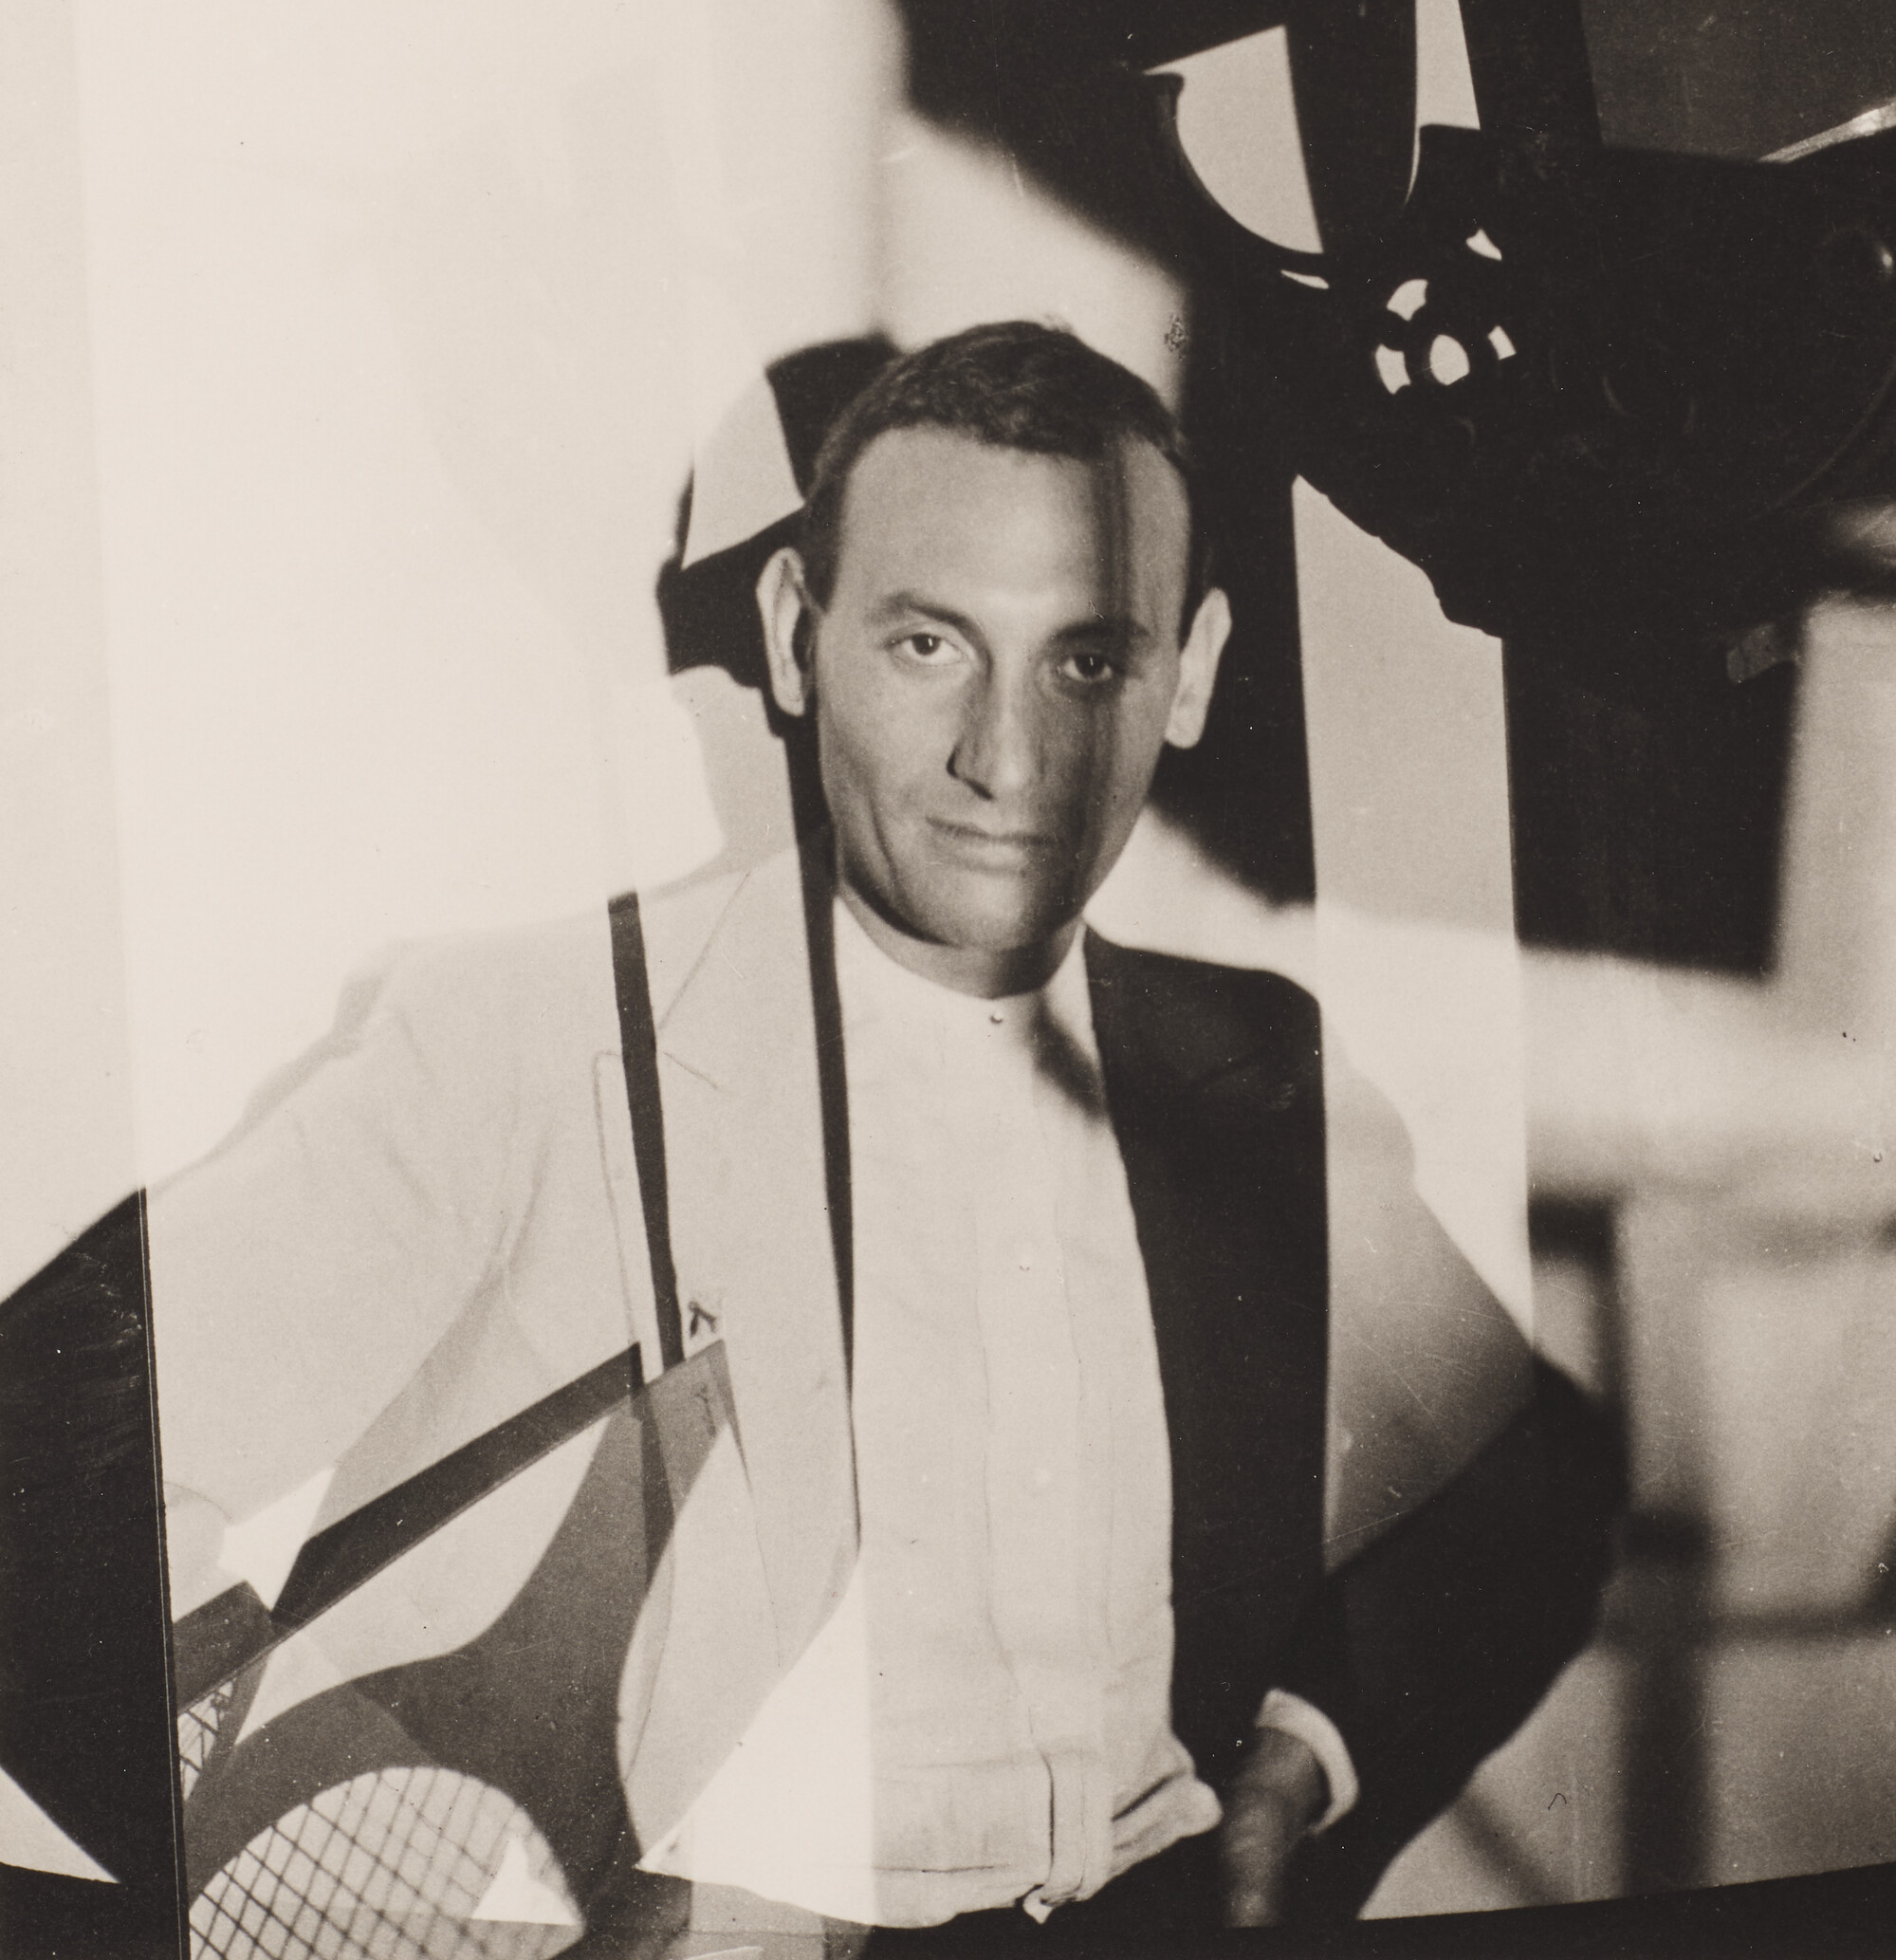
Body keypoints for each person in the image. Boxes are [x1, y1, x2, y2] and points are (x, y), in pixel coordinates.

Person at [150, 322, 1622, 1944]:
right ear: (797, 635)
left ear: (1187, 672)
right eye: (930, 646)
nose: (1008, 761)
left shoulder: (1249, 1066)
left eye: (1088, 660)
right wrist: (456, 1874)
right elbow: (47, 1479)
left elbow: (1527, 1480)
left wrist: (1300, 1762)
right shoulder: (519, 1044)